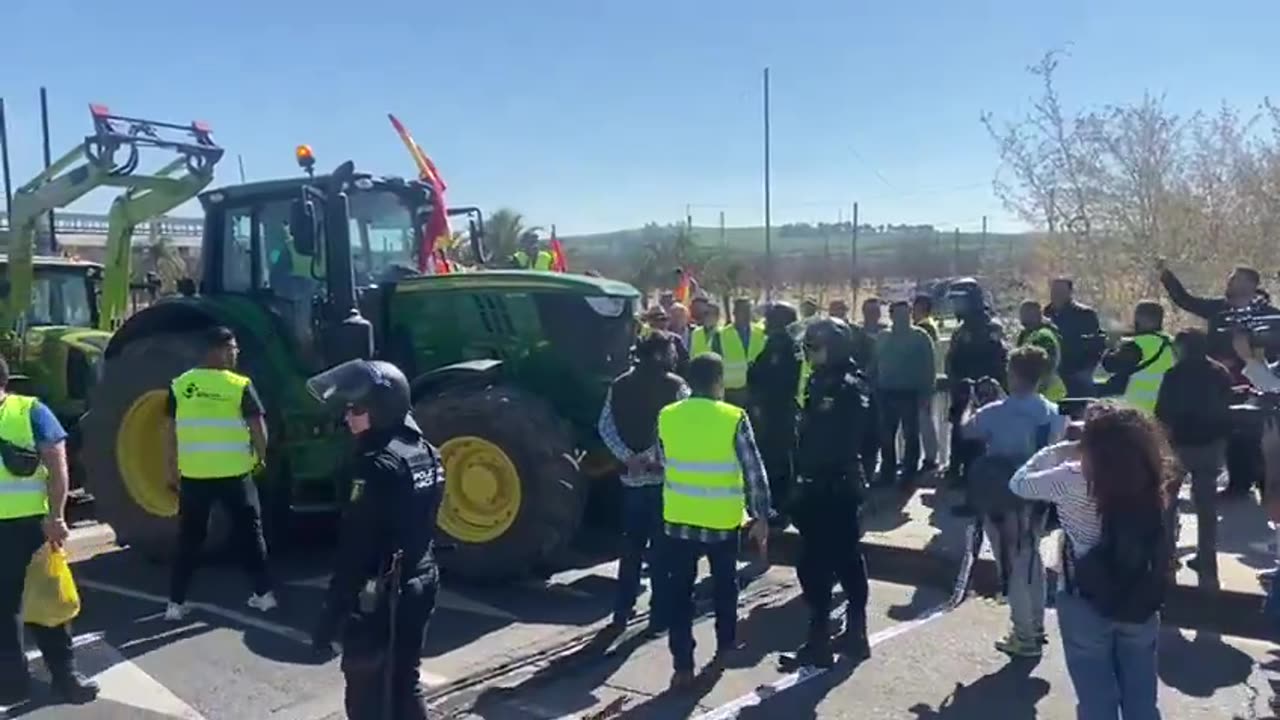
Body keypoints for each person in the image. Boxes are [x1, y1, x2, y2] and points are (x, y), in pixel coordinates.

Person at [1011, 403, 1171, 720]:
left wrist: (1059, 449)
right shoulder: (1153, 476)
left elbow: (1019, 483)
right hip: (1140, 590)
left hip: (1083, 593)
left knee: (1095, 697)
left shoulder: (1071, 477)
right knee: (1141, 696)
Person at [305, 360, 444, 720]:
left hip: (383, 594)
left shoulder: (375, 467)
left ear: (381, 410)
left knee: (366, 693)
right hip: (421, 576)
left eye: (357, 409)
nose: (348, 417)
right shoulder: (426, 451)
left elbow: (355, 551)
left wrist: (330, 616)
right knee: (404, 679)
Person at [657, 353, 771, 689]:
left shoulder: (667, 415)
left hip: (678, 519)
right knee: (724, 587)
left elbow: (664, 459)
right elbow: (754, 470)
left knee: (679, 594)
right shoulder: (733, 416)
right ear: (719, 382)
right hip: (722, 521)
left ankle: (682, 665)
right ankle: (724, 647)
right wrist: (761, 515)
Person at [0, 356, 98, 704]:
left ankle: (64, 677)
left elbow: (59, 466)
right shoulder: (32, 412)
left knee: (48, 603)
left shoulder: (29, 411)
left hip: (31, 528)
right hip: (30, 528)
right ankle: (14, 683)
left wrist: (57, 517)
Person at [780, 318, 874, 669]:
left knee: (818, 563)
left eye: (814, 347)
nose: (808, 354)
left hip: (831, 485)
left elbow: (842, 439)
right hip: (828, 483)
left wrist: (806, 480)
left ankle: (823, 640)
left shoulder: (846, 387)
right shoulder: (825, 381)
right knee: (842, 559)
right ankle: (852, 635)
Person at [960, 346, 1066, 657]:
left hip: (1004, 495)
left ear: (1014, 373)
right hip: (1038, 495)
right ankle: (1036, 626)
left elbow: (967, 431)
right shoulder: (1051, 411)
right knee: (1031, 558)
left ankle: (1024, 635)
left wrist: (969, 404)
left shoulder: (996, 411)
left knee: (1014, 566)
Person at [165, 326, 276, 622]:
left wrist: (171, 465)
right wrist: (262, 458)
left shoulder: (180, 385)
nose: (235, 353)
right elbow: (257, 426)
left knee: (189, 538)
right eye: (232, 348)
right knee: (251, 534)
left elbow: (170, 430)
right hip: (235, 473)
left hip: (195, 476)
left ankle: (175, 603)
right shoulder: (238, 385)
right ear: (215, 350)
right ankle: (264, 595)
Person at [598, 333, 688, 632]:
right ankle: (658, 615)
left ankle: (622, 611)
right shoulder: (676, 386)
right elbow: (681, 427)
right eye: (671, 350)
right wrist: (654, 457)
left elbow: (605, 426)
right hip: (663, 480)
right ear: (662, 355)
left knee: (631, 548)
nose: (676, 354)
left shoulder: (619, 384)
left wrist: (628, 457)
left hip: (631, 480)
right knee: (662, 551)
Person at [1155, 328, 1232, 590]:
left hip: (1179, 446)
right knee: (1207, 507)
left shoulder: (1175, 374)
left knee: (1168, 502)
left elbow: (1162, 412)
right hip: (1211, 445)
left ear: (1182, 348)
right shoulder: (1220, 372)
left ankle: (1166, 557)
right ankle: (1207, 560)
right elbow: (1227, 408)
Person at [944, 279, 1008, 493]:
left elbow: (999, 362)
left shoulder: (991, 327)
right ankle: (956, 471)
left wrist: (984, 386)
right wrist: (955, 380)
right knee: (958, 433)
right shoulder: (962, 330)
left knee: (979, 440)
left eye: (959, 301)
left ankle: (976, 482)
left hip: (985, 395)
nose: (955, 307)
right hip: (962, 392)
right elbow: (952, 359)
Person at [747, 303, 802, 523]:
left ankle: (778, 507)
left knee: (775, 459)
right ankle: (780, 504)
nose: (766, 324)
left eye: (770, 319)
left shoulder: (780, 345)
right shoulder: (791, 344)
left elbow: (762, 375)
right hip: (783, 409)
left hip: (775, 411)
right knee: (781, 457)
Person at [874, 301, 935, 485]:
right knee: (886, 435)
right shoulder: (883, 336)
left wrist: (926, 393)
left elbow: (929, 367)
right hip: (886, 392)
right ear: (891, 316)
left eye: (906, 314)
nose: (902, 318)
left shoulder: (920, 337)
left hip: (910, 392)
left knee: (911, 436)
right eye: (898, 314)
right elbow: (875, 363)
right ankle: (887, 472)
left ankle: (909, 474)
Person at [1098, 301, 1173, 415]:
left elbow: (1110, 365)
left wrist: (1110, 345)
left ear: (1140, 318)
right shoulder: (1172, 342)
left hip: (1139, 409)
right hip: (1165, 408)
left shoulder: (1137, 344)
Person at [1045, 278, 1105, 398]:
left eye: (1061, 290)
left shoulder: (1084, 314)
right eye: (1054, 290)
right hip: (1052, 374)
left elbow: (1097, 343)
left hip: (1078, 371)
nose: (1056, 294)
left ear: (1070, 292)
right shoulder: (1046, 314)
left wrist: (1086, 370)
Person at [715, 298, 766, 408]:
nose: (747, 314)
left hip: (756, 389)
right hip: (732, 391)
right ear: (734, 313)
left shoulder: (761, 332)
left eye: (749, 310)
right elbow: (715, 365)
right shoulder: (721, 335)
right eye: (743, 311)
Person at [1016, 300, 1068, 402]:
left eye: (1025, 312)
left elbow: (1044, 364)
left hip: (1046, 389)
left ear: (1036, 314)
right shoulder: (1026, 333)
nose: (1021, 316)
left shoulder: (1043, 336)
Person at [912, 294, 941, 471]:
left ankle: (930, 458)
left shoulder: (924, 327)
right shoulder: (929, 325)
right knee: (923, 419)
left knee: (924, 420)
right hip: (924, 378)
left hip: (922, 380)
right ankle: (930, 456)